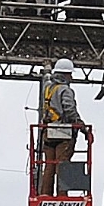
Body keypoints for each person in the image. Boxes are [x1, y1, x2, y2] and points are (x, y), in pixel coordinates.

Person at [38, 59, 83, 195]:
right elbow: (70, 110)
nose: (71, 77)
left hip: (48, 133)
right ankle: (62, 196)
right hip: (63, 134)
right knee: (62, 166)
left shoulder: (47, 88)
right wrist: (81, 125)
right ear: (64, 74)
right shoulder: (65, 90)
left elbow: (46, 78)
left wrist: (47, 68)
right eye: (70, 74)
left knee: (49, 165)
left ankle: (45, 195)